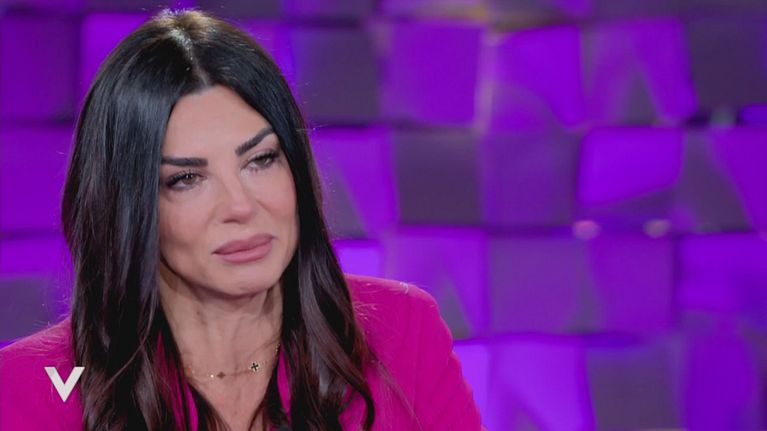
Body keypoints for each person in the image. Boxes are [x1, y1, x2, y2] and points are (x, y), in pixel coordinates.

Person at [0, 9, 483, 431]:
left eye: (260, 160)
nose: (240, 206)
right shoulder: (28, 388)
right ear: (128, 206)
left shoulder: (402, 331)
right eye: (186, 178)